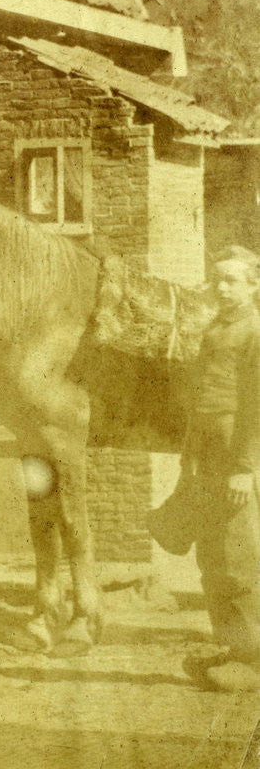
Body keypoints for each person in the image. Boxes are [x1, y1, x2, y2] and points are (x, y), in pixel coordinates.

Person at [178, 245, 260, 691]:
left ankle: (254, 663)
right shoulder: (216, 328)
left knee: (239, 556)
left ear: (254, 284)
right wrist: (190, 455)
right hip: (208, 455)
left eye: (232, 280)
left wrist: (244, 468)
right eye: (217, 279)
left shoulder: (255, 332)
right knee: (212, 556)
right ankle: (232, 649)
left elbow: (255, 407)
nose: (222, 288)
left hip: (236, 455)